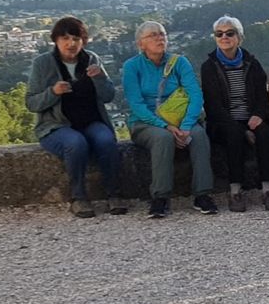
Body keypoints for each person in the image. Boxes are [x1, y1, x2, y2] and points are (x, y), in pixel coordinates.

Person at [25, 16, 125, 218]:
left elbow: (108, 96)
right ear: (56, 41)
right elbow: (31, 103)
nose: (71, 44)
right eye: (65, 39)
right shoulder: (43, 64)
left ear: (84, 41)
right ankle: (79, 197)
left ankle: (114, 194)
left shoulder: (92, 59)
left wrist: (99, 79)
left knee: (106, 140)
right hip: (56, 126)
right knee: (75, 143)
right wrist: (53, 92)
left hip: (90, 121)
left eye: (76, 39)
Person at [122, 21, 217, 217]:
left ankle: (203, 194)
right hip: (145, 121)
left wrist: (187, 125)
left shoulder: (179, 62)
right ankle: (160, 197)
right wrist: (164, 125)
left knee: (199, 136)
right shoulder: (132, 66)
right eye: (153, 35)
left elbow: (195, 95)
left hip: (182, 119)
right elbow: (136, 104)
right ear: (141, 44)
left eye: (162, 34)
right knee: (163, 138)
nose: (159, 38)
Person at [200, 15, 269, 212]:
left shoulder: (252, 64)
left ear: (240, 37)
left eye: (229, 33)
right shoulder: (209, 67)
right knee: (234, 136)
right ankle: (235, 191)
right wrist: (240, 129)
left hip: (250, 117)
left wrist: (259, 115)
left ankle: (268, 189)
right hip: (223, 122)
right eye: (219, 34)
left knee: (265, 134)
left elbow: (263, 95)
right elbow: (213, 106)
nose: (224, 37)